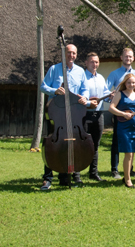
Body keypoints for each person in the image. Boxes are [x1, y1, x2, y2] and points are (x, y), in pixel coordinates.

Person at [39, 44, 90, 190]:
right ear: (64, 54)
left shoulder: (80, 71)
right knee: (52, 143)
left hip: (74, 113)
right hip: (56, 111)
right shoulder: (55, 69)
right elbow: (43, 86)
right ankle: (47, 178)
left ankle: (64, 176)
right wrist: (55, 90)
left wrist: (85, 97)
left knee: (69, 144)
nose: (71, 56)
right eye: (69, 53)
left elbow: (85, 89)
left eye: (74, 53)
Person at [108, 74, 135, 188]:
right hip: (123, 126)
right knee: (128, 152)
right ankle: (128, 180)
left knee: (132, 153)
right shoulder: (119, 94)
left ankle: (126, 177)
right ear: (125, 83)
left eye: (133, 83)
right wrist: (123, 114)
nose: (131, 85)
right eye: (129, 82)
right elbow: (111, 108)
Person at [106, 48, 135, 180]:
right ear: (121, 57)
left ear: (133, 58)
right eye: (126, 56)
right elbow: (106, 90)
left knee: (131, 145)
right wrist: (110, 98)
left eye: (130, 56)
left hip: (133, 115)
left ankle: (129, 170)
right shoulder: (115, 74)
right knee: (116, 142)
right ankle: (115, 169)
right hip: (120, 114)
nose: (128, 58)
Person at [83, 52, 112, 182]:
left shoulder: (100, 77)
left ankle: (93, 173)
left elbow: (105, 92)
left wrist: (110, 96)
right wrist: (88, 102)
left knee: (95, 145)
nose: (95, 64)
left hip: (99, 114)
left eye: (96, 62)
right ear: (86, 63)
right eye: (92, 62)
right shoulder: (81, 77)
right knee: (81, 144)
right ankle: (76, 174)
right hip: (84, 114)